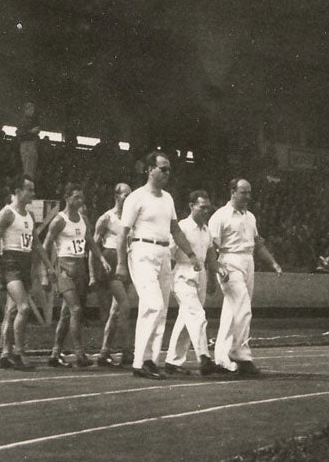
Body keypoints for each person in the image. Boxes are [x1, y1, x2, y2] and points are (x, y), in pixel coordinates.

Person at [116, 151, 202, 380]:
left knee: (161, 309)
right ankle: (140, 362)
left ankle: (151, 361)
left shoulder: (168, 198)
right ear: (149, 169)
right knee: (152, 305)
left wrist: (191, 254)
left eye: (169, 170)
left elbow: (175, 230)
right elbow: (122, 234)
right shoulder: (136, 198)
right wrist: (121, 264)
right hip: (142, 251)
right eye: (163, 169)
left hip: (164, 253)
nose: (167, 173)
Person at [207, 178, 283, 377]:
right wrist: (215, 270)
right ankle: (240, 355)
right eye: (243, 193)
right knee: (243, 307)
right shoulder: (220, 216)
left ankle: (222, 359)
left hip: (248, 261)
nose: (248, 196)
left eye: (249, 192)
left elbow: (258, 244)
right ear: (232, 192)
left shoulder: (250, 217)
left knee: (232, 312)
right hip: (229, 261)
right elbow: (211, 248)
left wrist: (273, 263)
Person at [0, 174, 52, 369]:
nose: (33, 193)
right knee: (24, 308)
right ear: (18, 191)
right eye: (29, 190)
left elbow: (37, 244)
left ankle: (5, 353)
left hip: (25, 264)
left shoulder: (29, 215)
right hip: (10, 263)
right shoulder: (6, 214)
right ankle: (19, 352)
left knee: (12, 310)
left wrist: (48, 266)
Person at [163, 190, 218, 376]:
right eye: (202, 207)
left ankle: (172, 361)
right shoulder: (182, 227)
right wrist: (166, 279)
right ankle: (205, 358)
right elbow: (169, 254)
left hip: (200, 275)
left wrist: (212, 278)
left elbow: (210, 255)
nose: (205, 211)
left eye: (208, 208)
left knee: (186, 320)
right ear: (191, 206)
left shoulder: (207, 230)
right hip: (182, 274)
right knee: (197, 315)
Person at [44, 182, 95, 368]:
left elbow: (90, 242)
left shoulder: (83, 219)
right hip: (64, 270)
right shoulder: (59, 220)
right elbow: (46, 245)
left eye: (81, 197)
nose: (80, 201)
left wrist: (102, 260)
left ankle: (55, 353)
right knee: (76, 310)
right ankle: (79, 353)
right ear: (67, 198)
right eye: (76, 197)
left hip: (80, 269)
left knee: (67, 314)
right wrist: (47, 271)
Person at [92, 183, 134, 367]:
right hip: (112, 261)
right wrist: (94, 271)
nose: (129, 198)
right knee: (124, 306)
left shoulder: (132, 218)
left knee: (115, 311)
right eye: (125, 195)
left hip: (128, 261)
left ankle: (104, 352)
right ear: (117, 196)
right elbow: (93, 246)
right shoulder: (106, 218)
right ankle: (127, 350)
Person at [19, 102, 41, 177]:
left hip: (32, 143)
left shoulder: (34, 120)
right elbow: (20, 133)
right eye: (31, 109)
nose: (32, 111)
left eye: (33, 110)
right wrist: (31, 132)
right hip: (26, 144)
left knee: (32, 164)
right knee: (27, 165)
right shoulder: (22, 120)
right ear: (26, 110)